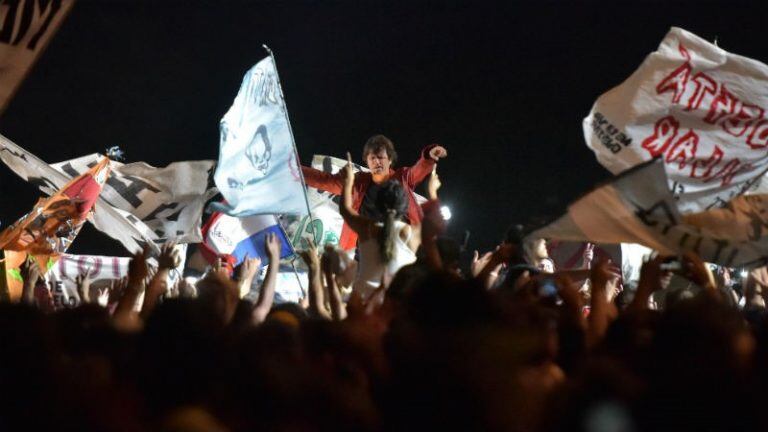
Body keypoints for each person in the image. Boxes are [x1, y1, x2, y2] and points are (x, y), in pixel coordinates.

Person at [301, 134, 447, 250]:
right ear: (367, 161)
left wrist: (428, 156)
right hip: (366, 251)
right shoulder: (358, 181)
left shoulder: (402, 177)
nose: (377, 162)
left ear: (390, 160)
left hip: (401, 247)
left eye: (381, 157)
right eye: (372, 158)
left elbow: (418, 170)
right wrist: (294, 170)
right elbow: (324, 180)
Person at [339, 152, 420, 299]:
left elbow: (345, 210)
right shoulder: (412, 234)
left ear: (377, 204)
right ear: (404, 206)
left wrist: (348, 182)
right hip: (392, 310)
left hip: (361, 306)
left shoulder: (367, 228)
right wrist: (433, 192)